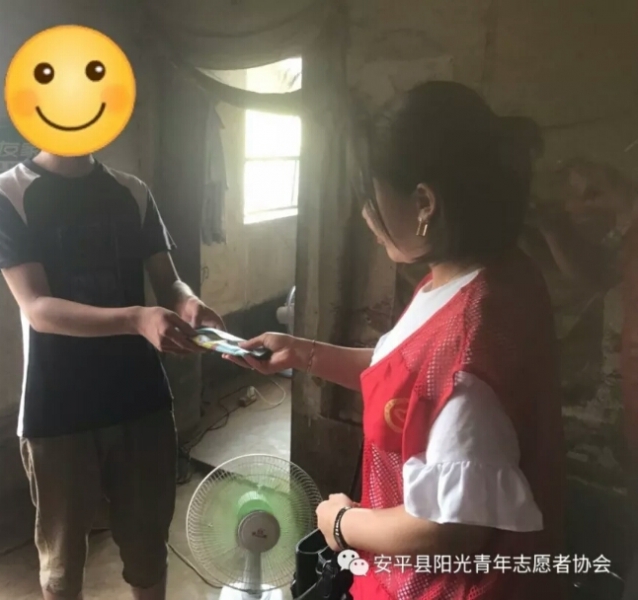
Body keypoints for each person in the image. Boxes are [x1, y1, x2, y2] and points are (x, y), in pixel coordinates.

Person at [227, 81, 564, 599]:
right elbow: (407, 374)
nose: (366, 216)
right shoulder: (476, 274)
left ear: (424, 202)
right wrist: (300, 352)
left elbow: (450, 529)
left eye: (372, 197)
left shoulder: (472, 342)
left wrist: (344, 523)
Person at [0, 150, 223, 600]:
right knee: (62, 565)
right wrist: (135, 318)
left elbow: (168, 280)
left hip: (141, 400)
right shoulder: (3, 194)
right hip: (57, 411)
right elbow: (38, 308)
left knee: (148, 548)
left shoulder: (132, 191)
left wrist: (189, 303)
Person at [530, 160, 638, 598]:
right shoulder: (624, 238)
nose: (572, 205)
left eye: (581, 194)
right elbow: (597, 276)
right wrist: (552, 229)